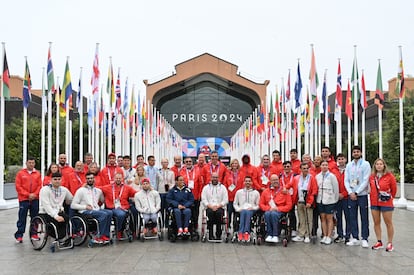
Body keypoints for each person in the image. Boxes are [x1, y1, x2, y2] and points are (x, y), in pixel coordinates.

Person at [71, 172, 112, 243]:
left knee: (109, 212)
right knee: (103, 214)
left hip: (96, 209)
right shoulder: (81, 191)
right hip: (85, 211)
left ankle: (106, 235)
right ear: (85, 180)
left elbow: (102, 200)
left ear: (94, 179)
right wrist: (85, 206)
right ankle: (100, 236)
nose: (90, 180)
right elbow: (73, 205)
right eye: (88, 178)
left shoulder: (98, 190)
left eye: (91, 178)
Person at [344, 145, 371, 248]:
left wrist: (357, 192)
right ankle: (355, 237)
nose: (356, 153)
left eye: (357, 152)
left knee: (364, 217)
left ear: (361, 153)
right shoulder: (349, 165)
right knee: (352, 217)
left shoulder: (365, 164)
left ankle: (364, 238)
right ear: (352, 154)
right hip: (351, 195)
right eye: (354, 152)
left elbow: (365, 180)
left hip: (362, 195)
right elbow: (346, 180)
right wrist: (350, 192)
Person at [369, 158, 397, 252]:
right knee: (376, 222)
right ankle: (379, 241)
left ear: (384, 165)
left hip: (386, 203)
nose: (379, 166)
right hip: (374, 202)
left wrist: (389, 197)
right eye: (377, 164)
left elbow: (394, 189)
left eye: (381, 164)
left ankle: (390, 243)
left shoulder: (389, 176)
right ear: (375, 166)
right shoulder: (372, 177)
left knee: (388, 222)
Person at [100, 172, 137, 240]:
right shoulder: (108, 187)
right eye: (116, 178)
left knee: (129, 212)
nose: (118, 179)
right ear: (114, 179)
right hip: (112, 207)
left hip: (123, 207)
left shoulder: (127, 188)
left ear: (122, 179)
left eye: (119, 178)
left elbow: (136, 193)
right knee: (120, 214)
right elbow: (98, 188)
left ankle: (122, 229)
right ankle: (119, 230)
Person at [38, 172, 73, 243]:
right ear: (51, 180)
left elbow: (71, 199)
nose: (57, 181)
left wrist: (68, 202)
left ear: (61, 180)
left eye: (59, 179)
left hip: (58, 211)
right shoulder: (45, 190)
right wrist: (55, 216)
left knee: (67, 218)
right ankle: (57, 237)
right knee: (56, 221)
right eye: (55, 179)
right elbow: (46, 205)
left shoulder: (64, 190)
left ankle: (63, 237)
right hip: (46, 212)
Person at [14, 157, 42, 243]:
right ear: (26, 163)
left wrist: (34, 194)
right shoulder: (20, 173)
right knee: (22, 217)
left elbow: (39, 185)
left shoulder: (37, 173)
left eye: (33, 163)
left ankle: (34, 234)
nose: (31, 164)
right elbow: (18, 186)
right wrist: (27, 194)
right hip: (24, 199)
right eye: (29, 162)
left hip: (35, 199)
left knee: (35, 217)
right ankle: (19, 235)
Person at [259, 174, 292, 243]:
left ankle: (275, 234)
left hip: (280, 211)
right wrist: (268, 208)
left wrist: (278, 208)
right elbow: (261, 204)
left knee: (273, 214)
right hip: (269, 210)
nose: (275, 181)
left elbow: (289, 205)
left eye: (276, 180)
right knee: (267, 214)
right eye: (273, 180)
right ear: (270, 181)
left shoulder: (284, 191)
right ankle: (269, 234)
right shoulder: (265, 191)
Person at [291, 162, 318, 243]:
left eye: (307, 168)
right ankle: (301, 234)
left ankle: (307, 235)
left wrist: (310, 202)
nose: (306, 170)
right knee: (301, 219)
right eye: (304, 168)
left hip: (308, 202)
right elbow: (291, 185)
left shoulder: (312, 178)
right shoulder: (297, 178)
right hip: (299, 201)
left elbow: (314, 190)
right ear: (300, 169)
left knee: (308, 219)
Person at [315, 160, 339, 245]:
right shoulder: (317, 176)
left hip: (330, 200)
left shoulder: (332, 176)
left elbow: (336, 189)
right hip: (320, 199)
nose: (324, 166)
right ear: (320, 166)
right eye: (323, 165)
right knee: (322, 218)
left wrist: (335, 200)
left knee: (329, 219)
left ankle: (329, 236)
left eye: (326, 165)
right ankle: (324, 235)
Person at [201, 172, 228, 240]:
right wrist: (210, 206)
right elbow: (203, 199)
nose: (215, 179)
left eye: (216, 177)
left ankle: (218, 234)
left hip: (219, 207)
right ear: (211, 178)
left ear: (218, 178)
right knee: (210, 213)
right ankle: (210, 234)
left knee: (219, 214)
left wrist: (218, 206)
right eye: (213, 177)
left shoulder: (223, 188)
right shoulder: (206, 188)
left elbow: (225, 200)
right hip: (209, 207)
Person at [233, 176, 260, 242]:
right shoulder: (239, 192)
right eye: (246, 181)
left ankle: (246, 232)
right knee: (244, 212)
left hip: (251, 210)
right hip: (241, 210)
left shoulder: (256, 193)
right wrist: (238, 209)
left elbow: (258, 205)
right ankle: (241, 232)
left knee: (247, 212)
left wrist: (253, 208)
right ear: (244, 182)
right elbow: (235, 203)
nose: (247, 182)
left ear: (252, 182)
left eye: (249, 181)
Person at [180, 157, 202, 231]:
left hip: (195, 195)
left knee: (195, 213)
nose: (188, 163)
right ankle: (186, 227)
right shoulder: (182, 171)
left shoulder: (197, 170)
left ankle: (195, 227)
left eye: (190, 161)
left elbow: (200, 183)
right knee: (186, 212)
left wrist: (200, 194)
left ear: (192, 162)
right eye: (187, 162)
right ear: (184, 163)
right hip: (185, 197)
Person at [334, 153, 350, 243]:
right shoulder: (333, 170)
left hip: (346, 197)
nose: (341, 161)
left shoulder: (349, 170)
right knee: (338, 217)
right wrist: (337, 194)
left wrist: (344, 194)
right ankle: (340, 234)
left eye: (342, 159)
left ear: (346, 160)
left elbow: (352, 183)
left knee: (348, 217)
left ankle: (348, 235)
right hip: (337, 198)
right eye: (339, 159)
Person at [224, 158, 243, 229]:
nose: (234, 165)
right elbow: (225, 184)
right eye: (233, 163)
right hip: (230, 197)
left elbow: (242, 185)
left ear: (238, 165)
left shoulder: (241, 174)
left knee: (237, 214)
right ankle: (228, 228)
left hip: (238, 198)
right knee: (229, 214)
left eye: (236, 163)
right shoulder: (227, 174)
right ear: (231, 165)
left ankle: (236, 228)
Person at [280, 160, 298, 237]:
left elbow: (294, 184)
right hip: (283, 197)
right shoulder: (280, 176)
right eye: (285, 167)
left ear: (291, 167)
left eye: (288, 166)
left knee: (292, 213)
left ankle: (293, 228)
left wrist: (286, 187)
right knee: (283, 214)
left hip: (292, 196)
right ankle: (283, 228)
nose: (286, 168)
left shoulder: (295, 175)